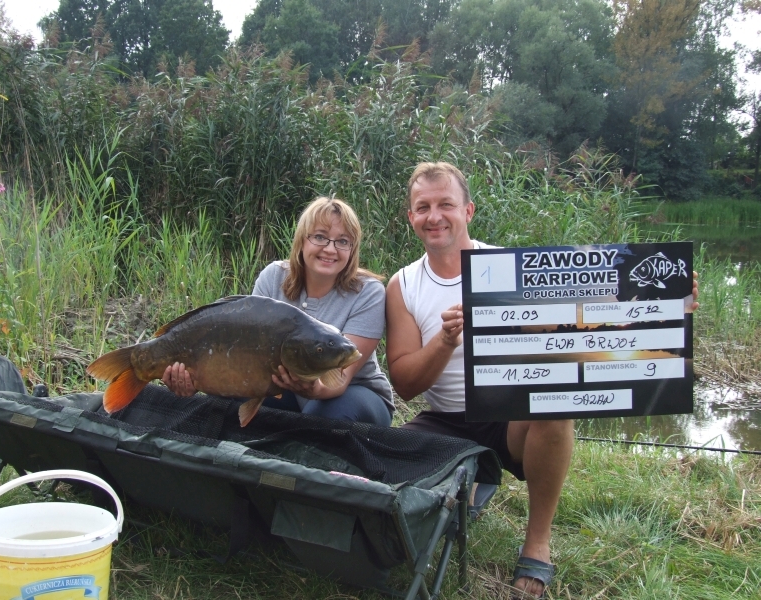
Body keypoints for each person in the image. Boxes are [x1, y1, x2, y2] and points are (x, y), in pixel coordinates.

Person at [385, 162, 698, 598]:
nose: (434, 216)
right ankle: (474, 479)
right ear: (410, 217)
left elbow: (591, 323)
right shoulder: (402, 285)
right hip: (444, 418)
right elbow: (404, 384)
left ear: (468, 211)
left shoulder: (514, 269)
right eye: (423, 207)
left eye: (446, 205)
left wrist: (666, 305)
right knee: (385, 468)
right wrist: (445, 340)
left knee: (556, 403)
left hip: (509, 414)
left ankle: (537, 542)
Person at [163, 196, 394, 427]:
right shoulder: (273, 277)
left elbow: (339, 380)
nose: (330, 249)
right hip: (284, 388)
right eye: (320, 237)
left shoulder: (368, 292)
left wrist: (313, 389)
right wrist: (198, 379)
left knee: (322, 415)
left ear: (352, 249)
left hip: (355, 394)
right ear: (302, 240)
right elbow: (247, 361)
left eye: (343, 241)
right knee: (223, 398)